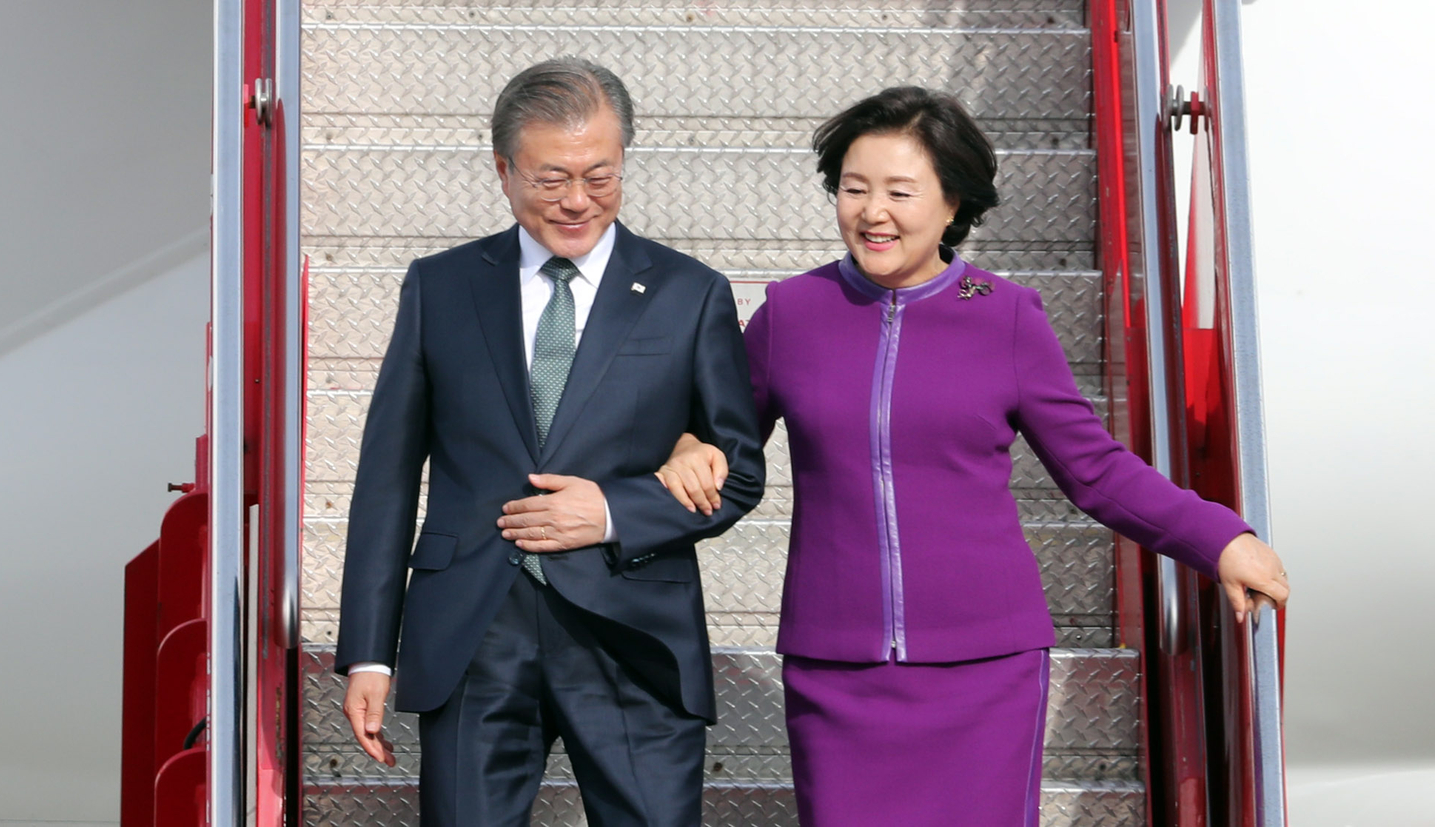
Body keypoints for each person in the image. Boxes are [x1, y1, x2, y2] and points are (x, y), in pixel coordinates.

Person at [655, 86, 1289, 826]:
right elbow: (721, 438)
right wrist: (686, 444)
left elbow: (1094, 469)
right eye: (853, 189)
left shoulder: (1006, 315)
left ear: (952, 202)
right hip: (837, 667)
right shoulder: (790, 313)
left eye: (899, 191)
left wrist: (1218, 536)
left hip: (985, 668)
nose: (872, 212)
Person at [334, 57, 765, 826]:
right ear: (503, 170)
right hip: (475, 631)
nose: (576, 202)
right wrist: (369, 650)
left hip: (633, 635)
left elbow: (737, 471)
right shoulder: (439, 287)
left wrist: (610, 511)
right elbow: (387, 477)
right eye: (550, 178)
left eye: (600, 177)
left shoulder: (688, 292)